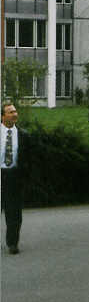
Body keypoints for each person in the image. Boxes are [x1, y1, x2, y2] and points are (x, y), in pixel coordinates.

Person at [1, 102, 27, 254]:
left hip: (13, 176)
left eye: (15, 111)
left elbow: (28, 160)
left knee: (14, 213)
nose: (14, 114)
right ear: (2, 116)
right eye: (10, 112)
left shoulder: (23, 135)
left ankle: (12, 243)